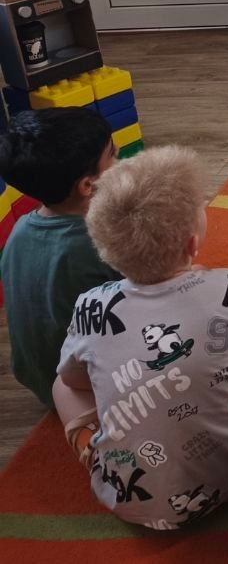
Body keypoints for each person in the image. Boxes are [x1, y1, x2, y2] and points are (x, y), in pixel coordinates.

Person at [52, 147, 228, 530]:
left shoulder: (90, 305)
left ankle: (90, 444)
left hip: (131, 500)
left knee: (59, 386)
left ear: (106, 251)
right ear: (192, 244)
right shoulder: (227, 285)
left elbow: (73, 381)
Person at [0, 108, 118, 408]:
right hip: (87, 387)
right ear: (87, 185)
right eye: (113, 155)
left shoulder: (20, 229)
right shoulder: (100, 242)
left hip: (38, 377)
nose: (120, 160)